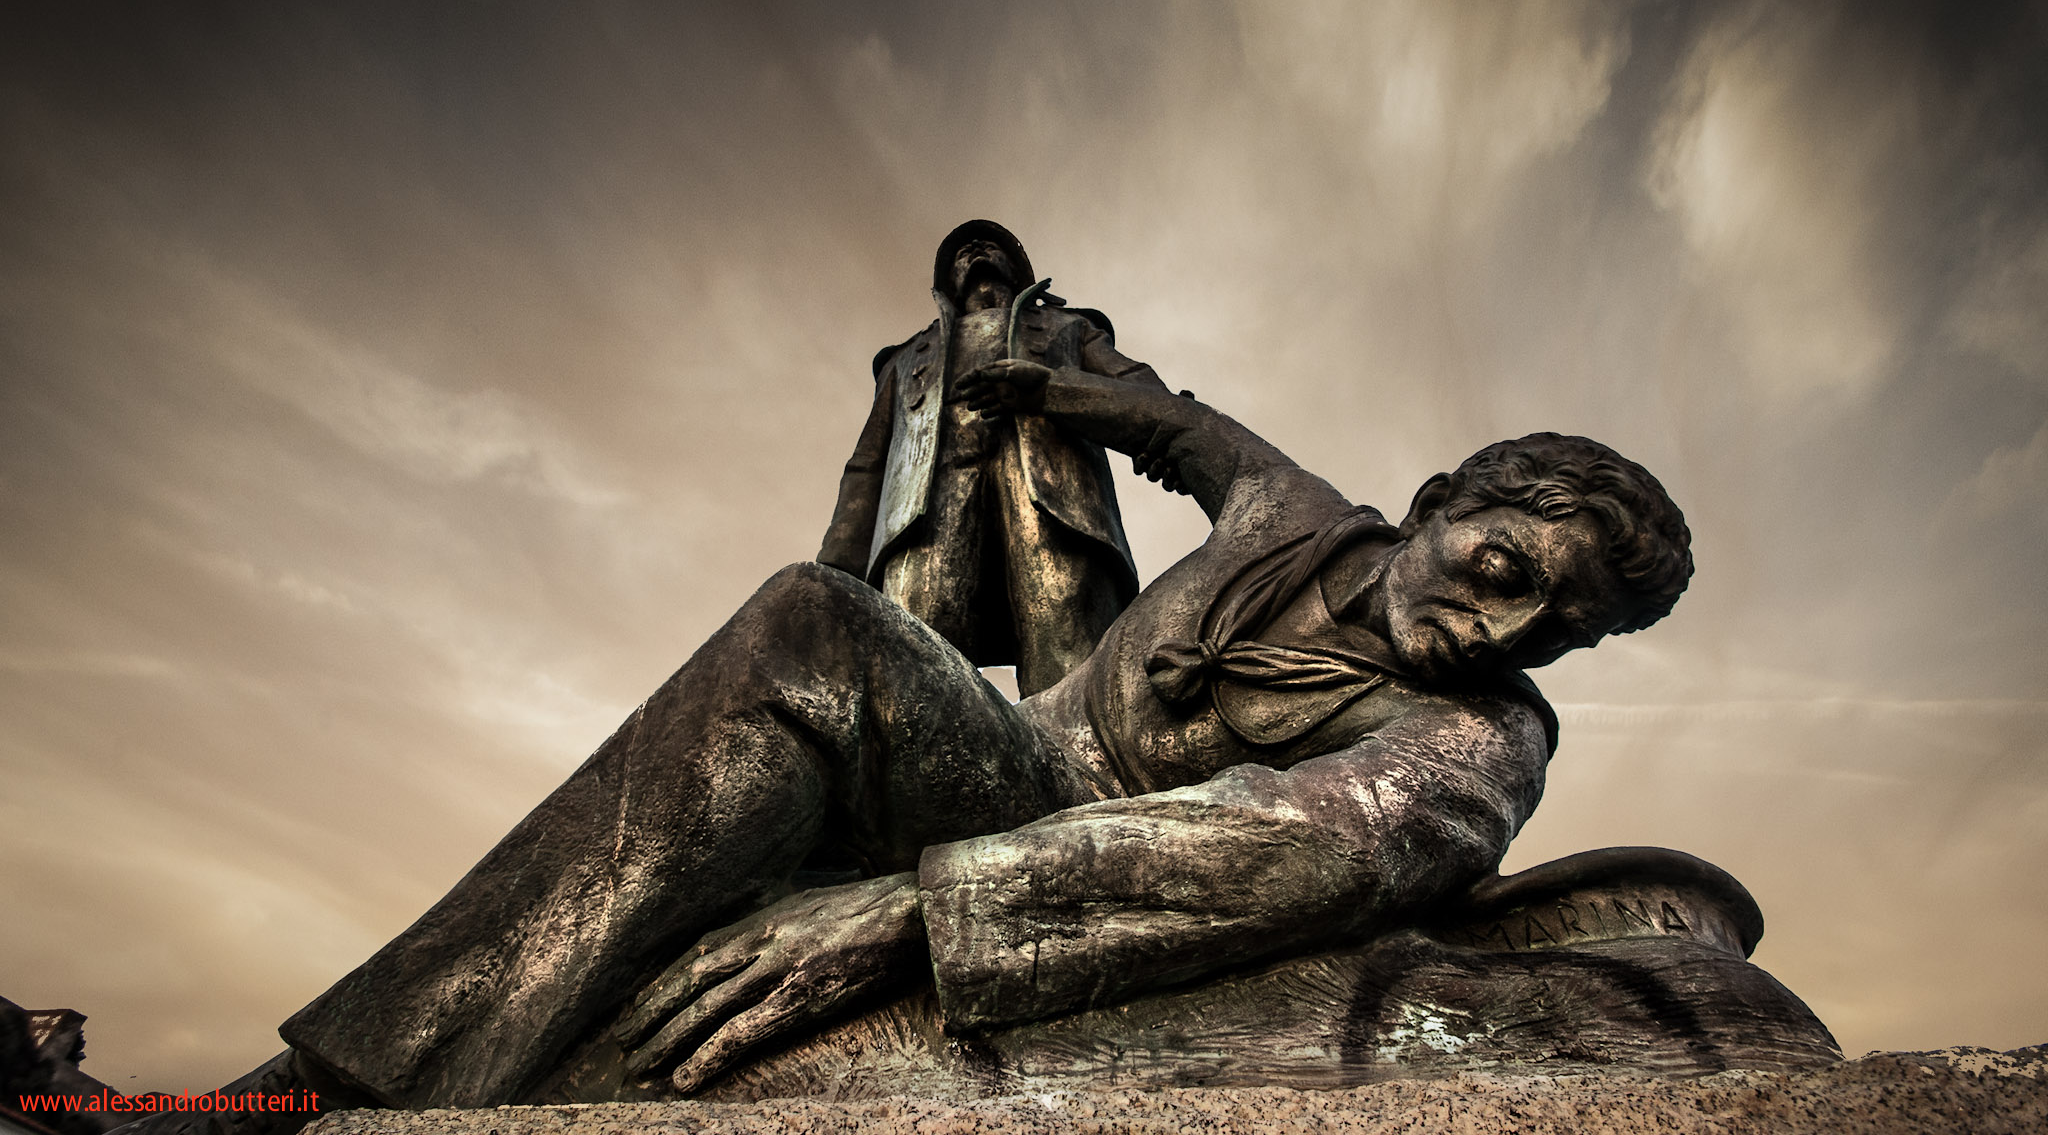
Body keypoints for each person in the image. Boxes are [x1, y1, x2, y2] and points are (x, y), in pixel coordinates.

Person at [140, 360, 1690, 1129]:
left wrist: (907, 911)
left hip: (1058, 866)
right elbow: (1182, 435)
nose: (1505, 630)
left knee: (813, 652)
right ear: (1436, 506)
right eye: (1502, 569)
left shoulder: (1481, 744)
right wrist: (1032, 376)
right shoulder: (1301, 516)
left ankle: (341, 1102)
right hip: (999, 761)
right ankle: (298, 1088)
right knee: (818, 622)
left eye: (1556, 627)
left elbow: (1305, 845)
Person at [818, 220, 1173, 696]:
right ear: (945, 282)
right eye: (962, 252)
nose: (977, 251)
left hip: (1054, 501)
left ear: (1020, 270)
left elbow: (1132, 383)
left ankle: (1077, 766)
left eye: (991, 245)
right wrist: (837, 570)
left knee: (1070, 655)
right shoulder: (906, 358)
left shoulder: (1071, 329)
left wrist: (1169, 434)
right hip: (925, 518)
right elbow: (867, 466)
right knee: (918, 666)